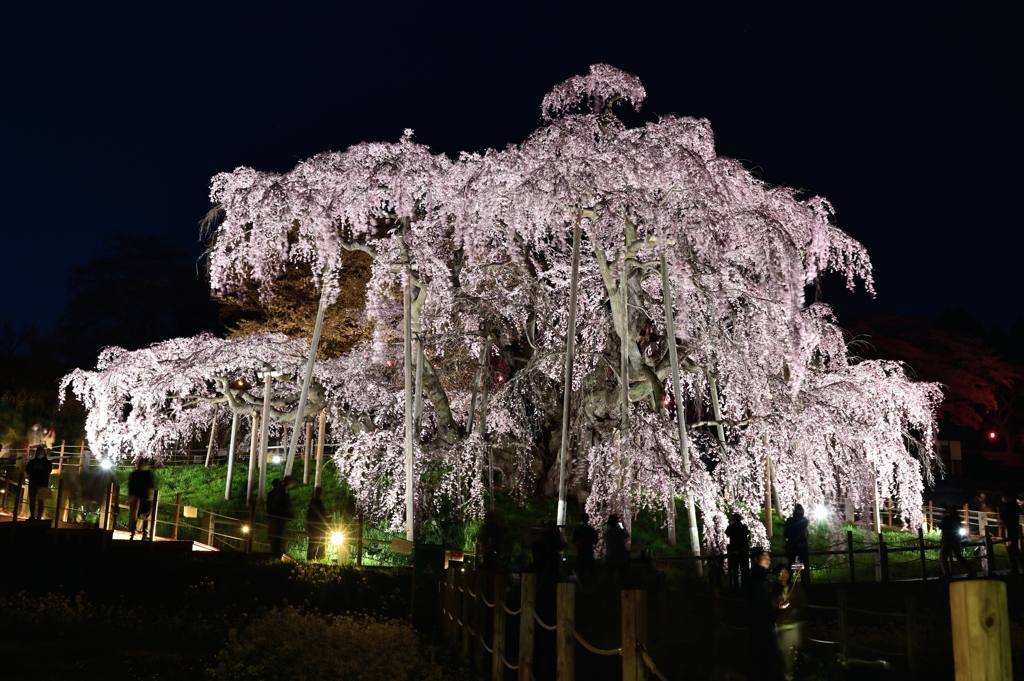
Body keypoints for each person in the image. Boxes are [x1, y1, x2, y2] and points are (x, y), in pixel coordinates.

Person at [746, 548, 780, 681]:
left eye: (769, 557)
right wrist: (773, 608)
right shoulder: (758, 576)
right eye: (765, 557)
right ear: (756, 559)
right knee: (766, 655)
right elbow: (763, 602)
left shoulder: (757, 575)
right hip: (763, 624)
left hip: (758, 622)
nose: (768, 560)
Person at [773, 564, 805, 680]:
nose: (783, 574)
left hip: (793, 624)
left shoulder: (795, 588)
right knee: (783, 652)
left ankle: (791, 673)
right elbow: (771, 604)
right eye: (781, 572)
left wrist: (796, 610)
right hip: (782, 625)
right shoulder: (775, 590)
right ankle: (787, 673)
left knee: (793, 650)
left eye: (785, 572)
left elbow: (801, 603)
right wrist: (778, 606)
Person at [938, 504, 976, 578]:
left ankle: (947, 573)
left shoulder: (947, 518)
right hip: (956, 540)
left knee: (943, 556)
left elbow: (940, 526)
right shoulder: (957, 518)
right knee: (959, 557)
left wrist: (944, 517)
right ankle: (971, 570)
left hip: (947, 540)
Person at [127, 458, 155, 539]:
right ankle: (145, 533)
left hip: (138, 496)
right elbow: (151, 485)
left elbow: (131, 485)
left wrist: (131, 495)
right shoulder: (147, 474)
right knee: (146, 515)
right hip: (145, 496)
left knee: (139, 515)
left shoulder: (135, 474)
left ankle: (134, 532)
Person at [266, 477, 293, 557]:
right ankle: (277, 552)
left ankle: (278, 551)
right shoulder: (276, 494)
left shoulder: (274, 494)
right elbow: (278, 506)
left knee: (278, 535)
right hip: (277, 517)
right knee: (277, 535)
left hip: (276, 517)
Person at [783, 504, 810, 585]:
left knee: (791, 563)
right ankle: (804, 582)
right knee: (803, 564)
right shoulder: (804, 521)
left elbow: (786, 533)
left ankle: (788, 582)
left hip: (792, 545)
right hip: (802, 545)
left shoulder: (789, 521)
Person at [24, 446, 53, 520]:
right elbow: (27, 470)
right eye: (39, 452)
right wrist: (34, 468)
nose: (40, 453)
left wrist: (41, 469)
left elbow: (49, 471)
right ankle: (32, 515)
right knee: (32, 501)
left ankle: (39, 516)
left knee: (40, 501)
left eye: (41, 452)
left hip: (42, 484)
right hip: (35, 483)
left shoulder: (47, 462)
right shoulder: (32, 462)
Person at [999, 491, 1022, 576]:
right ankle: (1017, 567)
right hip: (1014, 529)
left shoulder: (1009, 507)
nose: (1002, 499)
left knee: (1013, 550)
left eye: (1003, 498)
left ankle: (1015, 568)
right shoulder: (1015, 506)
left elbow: (1004, 516)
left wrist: (1002, 510)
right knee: (1015, 549)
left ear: (1007, 498)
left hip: (1011, 530)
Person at [572, 513, 599, 582]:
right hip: (589, 551)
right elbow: (595, 541)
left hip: (580, 551)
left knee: (581, 570)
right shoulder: (591, 530)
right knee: (592, 570)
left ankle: (582, 584)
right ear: (588, 519)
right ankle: (594, 584)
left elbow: (573, 540)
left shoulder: (577, 529)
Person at [726, 513, 750, 589]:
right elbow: (747, 532)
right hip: (742, 549)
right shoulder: (743, 527)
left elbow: (727, 532)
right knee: (743, 568)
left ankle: (735, 584)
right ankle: (744, 584)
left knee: (734, 568)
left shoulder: (731, 527)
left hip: (734, 549)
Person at [605, 514, 630, 585]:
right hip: (620, 555)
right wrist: (623, 526)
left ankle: (609, 588)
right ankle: (622, 587)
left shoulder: (606, 532)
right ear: (616, 522)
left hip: (610, 555)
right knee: (622, 573)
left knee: (610, 573)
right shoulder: (620, 531)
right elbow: (627, 535)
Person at [305, 486, 329, 560]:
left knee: (316, 543)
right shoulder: (316, 503)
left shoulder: (316, 503)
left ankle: (314, 558)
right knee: (314, 543)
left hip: (317, 526)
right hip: (316, 526)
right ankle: (312, 558)